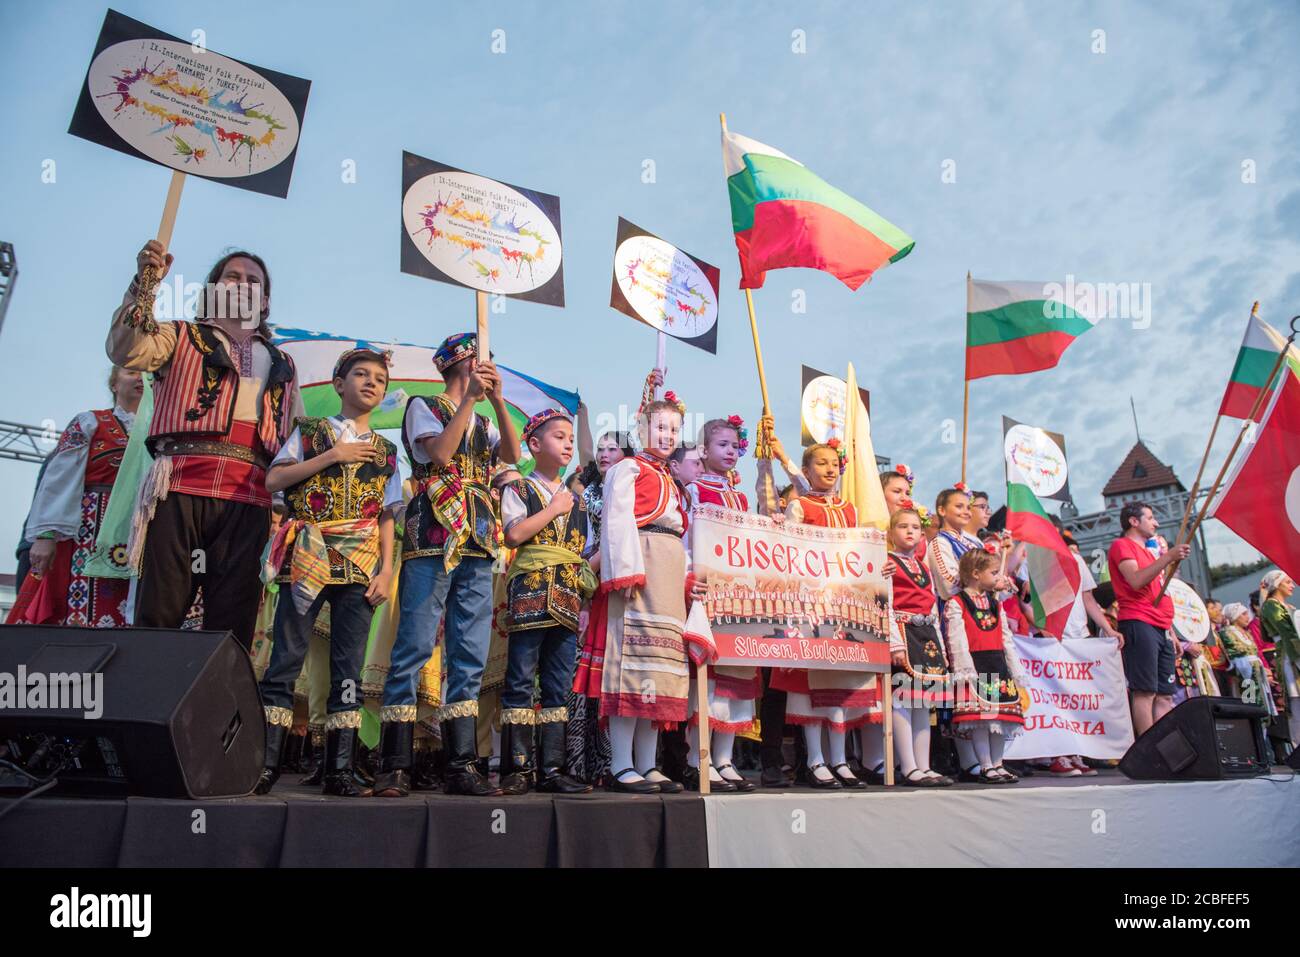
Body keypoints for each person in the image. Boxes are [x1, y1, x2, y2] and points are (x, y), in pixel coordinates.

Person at [106, 241, 303, 649]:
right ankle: (144, 704)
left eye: (253, 281)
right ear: (213, 290)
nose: (243, 284)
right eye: (233, 276)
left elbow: (294, 440)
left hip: (249, 499)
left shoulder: (283, 361)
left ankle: (216, 711)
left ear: (264, 303)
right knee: (159, 610)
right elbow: (126, 348)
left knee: (232, 623)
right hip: (177, 487)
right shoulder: (176, 336)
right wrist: (145, 285)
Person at [375, 332, 521, 797]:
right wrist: (469, 403)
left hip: (478, 539)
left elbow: (513, 458)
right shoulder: (425, 405)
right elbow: (438, 454)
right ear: (463, 365)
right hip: (432, 534)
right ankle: (394, 763)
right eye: (485, 361)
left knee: (469, 654)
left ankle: (461, 764)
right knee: (414, 646)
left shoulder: (483, 421)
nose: (492, 367)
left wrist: (496, 403)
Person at [254, 348, 400, 796]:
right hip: (308, 553)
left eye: (379, 377)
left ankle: (339, 769)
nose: (371, 382)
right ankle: (264, 766)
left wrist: (387, 570)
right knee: (287, 656)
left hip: (359, 563)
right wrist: (333, 455)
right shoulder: (311, 432)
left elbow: (387, 515)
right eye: (360, 373)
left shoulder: (388, 452)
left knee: (348, 667)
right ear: (339, 384)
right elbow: (274, 481)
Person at [599, 395, 696, 794]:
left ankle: (647, 763)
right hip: (641, 565)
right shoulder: (627, 468)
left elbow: (681, 535)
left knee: (660, 670)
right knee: (633, 664)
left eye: (673, 429)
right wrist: (625, 570)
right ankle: (621, 764)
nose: (667, 435)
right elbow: (617, 521)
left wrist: (687, 577)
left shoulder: (670, 479)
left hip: (668, 570)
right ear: (641, 428)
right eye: (659, 427)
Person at [497, 409, 595, 795]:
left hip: (568, 597)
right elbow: (513, 534)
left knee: (558, 684)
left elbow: (582, 552)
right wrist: (553, 509)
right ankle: (516, 768)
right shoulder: (519, 489)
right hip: (529, 595)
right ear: (534, 445)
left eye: (571, 437)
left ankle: (552, 768)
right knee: (520, 679)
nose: (568, 443)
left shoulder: (579, 502)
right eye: (559, 436)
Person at [772, 443, 878, 789]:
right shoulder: (799, 506)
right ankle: (816, 760)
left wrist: (880, 564)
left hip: (842, 609)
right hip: (809, 606)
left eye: (835, 463)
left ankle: (840, 760)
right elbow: (788, 551)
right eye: (822, 463)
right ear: (807, 468)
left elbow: (861, 553)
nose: (830, 469)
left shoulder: (850, 510)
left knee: (839, 685)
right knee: (808, 685)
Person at [8, 367, 143, 627]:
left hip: (135, 539)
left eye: (147, 374)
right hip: (85, 536)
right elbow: (59, 480)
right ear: (114, 384)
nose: (140, 378)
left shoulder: (158, 431)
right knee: (73, 617)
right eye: (131, 372)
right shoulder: (89, 422)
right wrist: (46, 536)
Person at [681, 415, 759, 793]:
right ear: (703, 450)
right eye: (721, 445)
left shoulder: (741, 497)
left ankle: (725, 758)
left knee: (736, 676)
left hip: (738, 594)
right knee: (708, 679)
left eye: (733, 445)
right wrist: (690, 577)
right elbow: (687, 540)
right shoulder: (695, 490)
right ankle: (699, 757)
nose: (730, 451)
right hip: (709, 591)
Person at [568, 428, 633, 786]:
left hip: (618, 586)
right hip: (588, 589)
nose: (606, 454)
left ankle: (614, 763)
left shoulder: (629, 491)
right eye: (602, 449)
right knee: (584, 679)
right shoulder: (589, 492)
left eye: (614, 448)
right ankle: (579, 764)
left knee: (616, 676)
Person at [1040, 528, 1123, 776]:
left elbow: (1088, 599)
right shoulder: (1036, 560)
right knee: (1055, 698)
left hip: (1079, 635)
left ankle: (1076, 751)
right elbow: (1029, 602)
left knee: (1078, 698)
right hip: (1053, 637)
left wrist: (1107, 628)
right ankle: (1058, 754)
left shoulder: (1076, 559)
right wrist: (1042, 628)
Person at [1106, 502, 1190, 738]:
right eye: (1151, 517)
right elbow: (1135, 580)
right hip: (1138, 621)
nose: (1156, 523)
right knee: (1145, 691)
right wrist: (1169, 557)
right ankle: (1147, 748)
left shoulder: (1149, 552)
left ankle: (1163, 745)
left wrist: (1171, 630)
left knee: (1165, 693)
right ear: (1134, 521)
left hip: (1160, 625)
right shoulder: (1122, 546)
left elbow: (1158, 592)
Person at [946, 548, 1029, 783]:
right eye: (993, 572)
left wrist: (1015, 669)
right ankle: (984, 765)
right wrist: (965, 669)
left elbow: (1006, 639)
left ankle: (998, 764)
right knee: (981, 720)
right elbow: (957, 640)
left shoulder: (995, 604)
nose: (998, 577)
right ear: (975, 573)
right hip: (975, 666)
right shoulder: (957, 603)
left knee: (1000, 719)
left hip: (997, 664)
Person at [887, 507, 954, 786]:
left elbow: (932, 608)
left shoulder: (924, 567)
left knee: (924, 704)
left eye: (915, 527)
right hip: (904, 633)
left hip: (927, 635)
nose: (910, 531)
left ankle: (923, 766)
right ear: (891, 533)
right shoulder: (887, 563)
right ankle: (908, 766)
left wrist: (941, 646)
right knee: (903, 700)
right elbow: (886, 605)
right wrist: (894, 643)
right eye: (903, 526)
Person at [1259, 571, 1299, 746]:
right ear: (1277, 584)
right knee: (1296, 702)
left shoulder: (1288, 607)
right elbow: (1287, 631)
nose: (1292, 585)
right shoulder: (1271, 606)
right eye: (1288, 582)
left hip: (1294, 653)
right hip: (1290, 657)